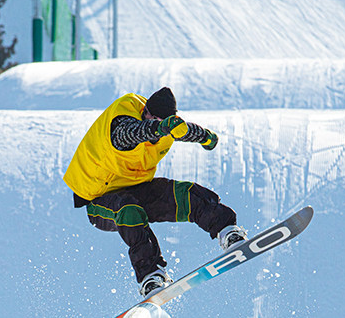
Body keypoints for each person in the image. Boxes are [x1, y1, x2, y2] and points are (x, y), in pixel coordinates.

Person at [63, 86, 247, 296]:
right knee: (129, 210)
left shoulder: (168, 127)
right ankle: (150, 276)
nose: (152, 121)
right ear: (145, 111)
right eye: (150, 116)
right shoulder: (124, 117)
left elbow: (187, 131)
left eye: (159, 120)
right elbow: (128, 134)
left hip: (137, 188)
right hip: (99, 200)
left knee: (184, 194)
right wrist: (158, 128)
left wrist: (205, 137)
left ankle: (227, 231)